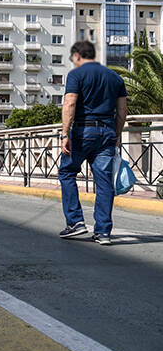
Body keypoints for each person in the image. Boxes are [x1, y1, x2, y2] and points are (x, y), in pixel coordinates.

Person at [58, 41, 127, 246]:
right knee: (104, 182)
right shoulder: (115, 77)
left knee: (67, 172)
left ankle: (75, 222)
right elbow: (122, 111)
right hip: (107, 134)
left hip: (83, 131)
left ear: (77, 56)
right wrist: (117, 134)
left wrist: (64, 134)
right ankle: (103, 232)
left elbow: (70, 103)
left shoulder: (76, 75)